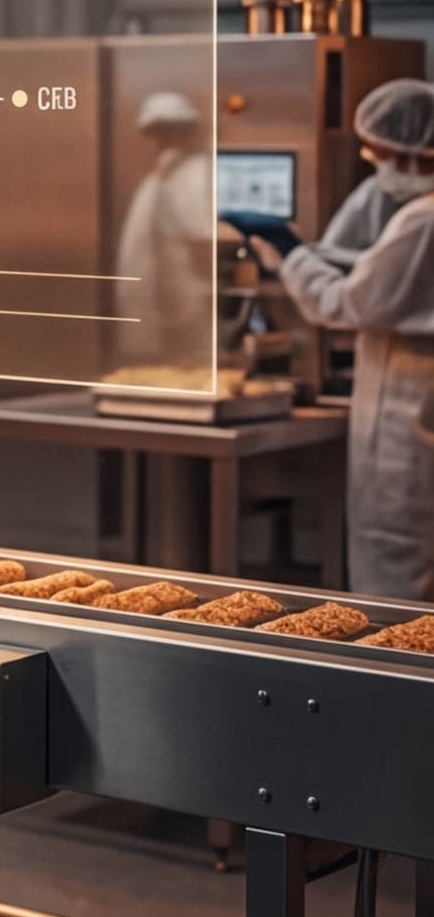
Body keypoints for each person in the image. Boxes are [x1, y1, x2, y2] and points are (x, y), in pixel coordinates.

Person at [239, 78, 434, 601]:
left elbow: (351, 304)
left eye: (384, 155)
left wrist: (289, 253)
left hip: (406, 411)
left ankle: (398, 678)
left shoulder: (423, 219)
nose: (379, 165)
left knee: (397, 562)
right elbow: (387, 277)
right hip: (414, 394)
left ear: (416, 155)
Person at [113, 90, 214, 365]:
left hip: (189, 302)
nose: (161, 141)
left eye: (168, 132)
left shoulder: (195, 173)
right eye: (156, 133)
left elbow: (203, 235)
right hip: (161, 300)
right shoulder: (162, 176)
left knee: (193, 363)